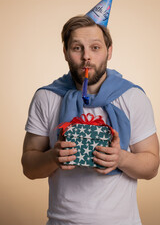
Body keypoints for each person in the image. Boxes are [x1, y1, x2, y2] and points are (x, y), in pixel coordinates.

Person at [21, 15, 159, 225]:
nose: (87, 57)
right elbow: (29, 167)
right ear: (66, 52)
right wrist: (52, 157)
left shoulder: (133, 97)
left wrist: (120, 158)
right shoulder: (47, 97)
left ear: (109, 51)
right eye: (77, 48)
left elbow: (152, 167)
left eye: (95, 47)